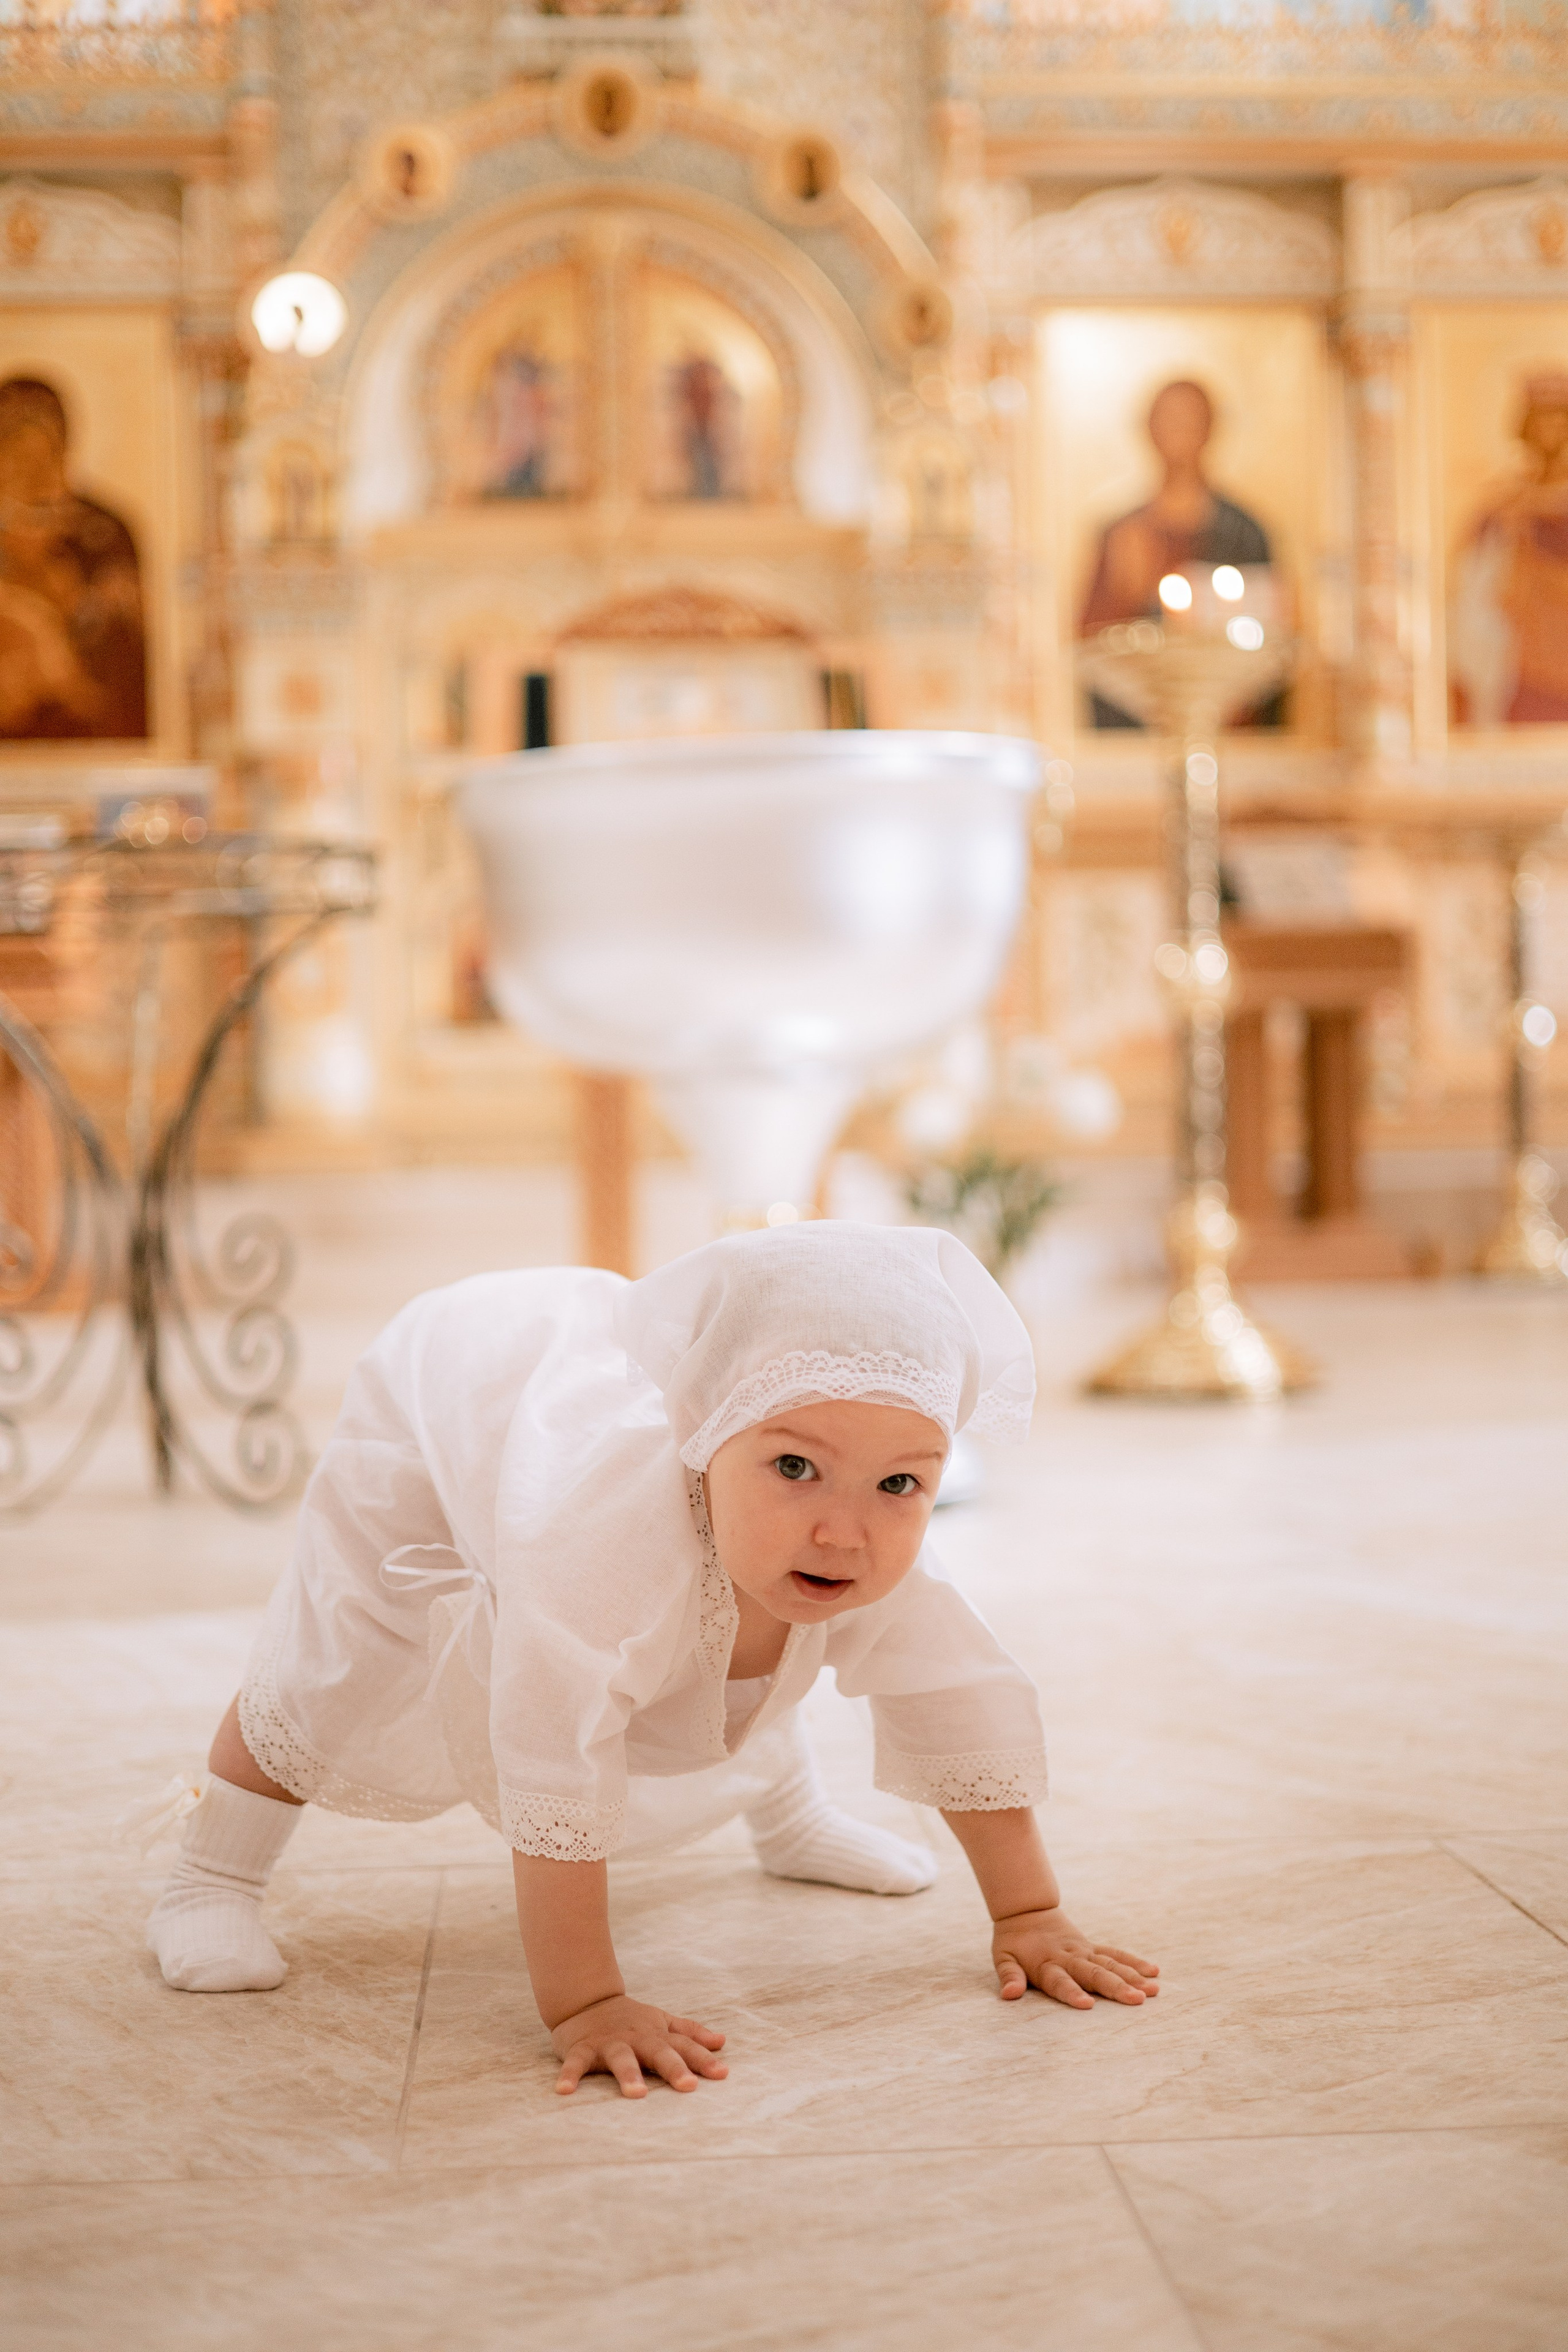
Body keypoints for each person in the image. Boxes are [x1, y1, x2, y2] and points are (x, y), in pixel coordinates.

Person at [144, 1224, 1158, 2098]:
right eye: (794, 1466)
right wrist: (587, 1999)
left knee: (765, 1620)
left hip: (586, 1413)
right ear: (701, 1431)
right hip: (456, 1385)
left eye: (900, 1482)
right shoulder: (598, 1556)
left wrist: (1031, 1912)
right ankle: (210, 1873)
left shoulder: (859, 1548)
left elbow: (955, 1702)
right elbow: (554, 1756)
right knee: (353, 1649)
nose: (845, 1530)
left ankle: (788, 1813)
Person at [1080, 377, 1277, 729]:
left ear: (1211, 429)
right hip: (1140, 727)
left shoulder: (1244, 532)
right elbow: (1093, 649)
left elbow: (1267, 644)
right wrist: (1128, 593)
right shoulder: (1122, 533)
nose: (1178, 431)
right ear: (1148, 429)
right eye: (1167, 419)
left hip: (1226, 727)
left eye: (1190, 419)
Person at [0, 375, 146, 741]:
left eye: (45, 449)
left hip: (88, 737)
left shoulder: (103, 533)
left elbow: (123, 658)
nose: (32, 468)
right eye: (15, 448)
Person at [1450, 370, 1568, 726]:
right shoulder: (1503, 508)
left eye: (1560, 421)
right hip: (1524, 673)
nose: (1551, 433)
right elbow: (1472, 595)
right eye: (1542, 421)